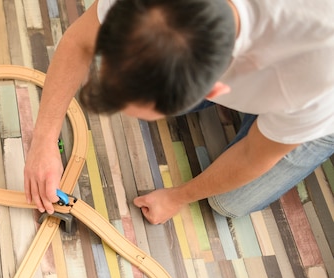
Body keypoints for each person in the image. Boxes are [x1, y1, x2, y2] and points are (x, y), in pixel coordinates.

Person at [23, 0, 334, 225]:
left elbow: (255, 154)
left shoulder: (315, 73)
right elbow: (80, 42)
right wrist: (44, 140)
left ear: (215, 90)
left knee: (227, 202)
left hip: (317, 109)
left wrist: (177, 197)